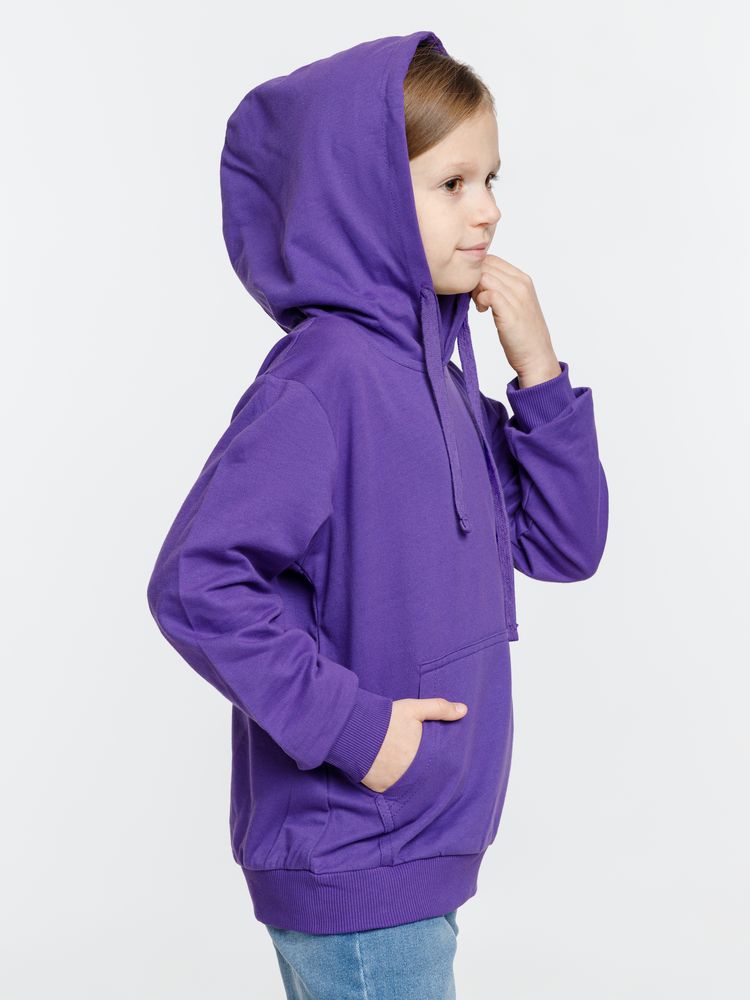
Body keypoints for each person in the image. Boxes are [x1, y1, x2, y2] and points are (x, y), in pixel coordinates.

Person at [146, 30, 608, 1000]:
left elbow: (565, 544)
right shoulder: (325, 382)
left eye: (491, 179)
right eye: (453, 184)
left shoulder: (439, 386)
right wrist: (363, 732)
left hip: (413, 850)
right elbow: (197, 582)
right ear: (367, 198)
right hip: (357, 853)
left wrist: (539, 373)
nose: (488, 209)